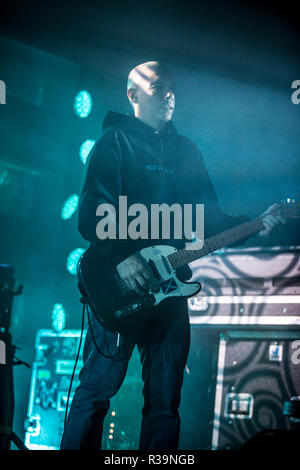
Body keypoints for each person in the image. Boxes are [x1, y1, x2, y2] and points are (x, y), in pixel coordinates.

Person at [60, 61, 285, 450]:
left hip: (169, 289)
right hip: (119, 286)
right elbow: (90, 215)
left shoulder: (186, 151)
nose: (169, 95)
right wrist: (124, 256)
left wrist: (255, 224)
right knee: (98, 389)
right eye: (158, 87)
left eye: (172, 88)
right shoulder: (114, 142)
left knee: (166, 403)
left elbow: (210, 219)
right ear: (132, 95)